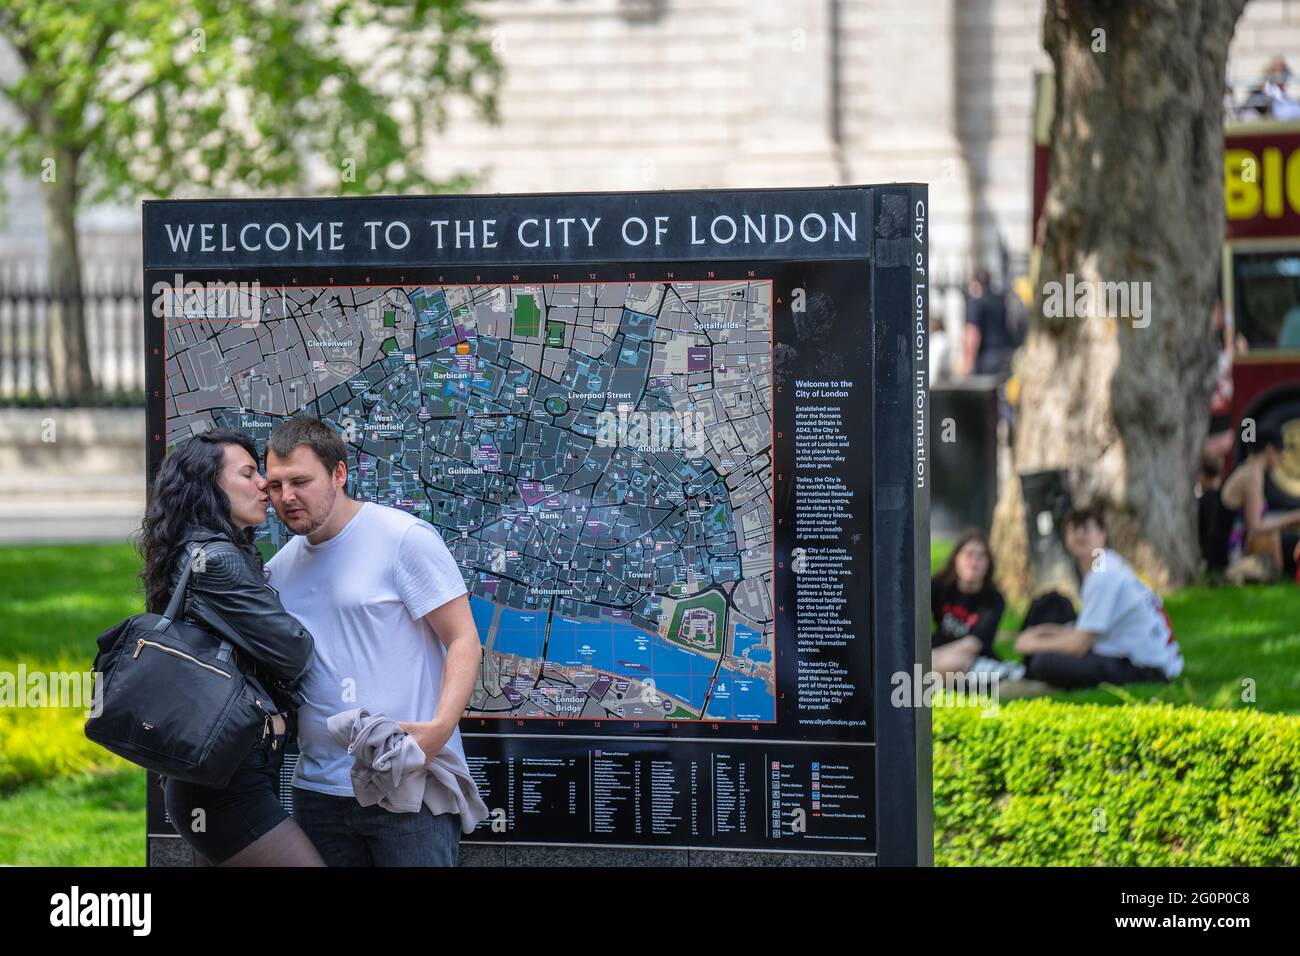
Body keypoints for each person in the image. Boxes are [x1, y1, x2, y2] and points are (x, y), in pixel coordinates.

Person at [263, 414, 487, 867]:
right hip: (317, 791)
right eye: (275, 485)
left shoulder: (402, 538)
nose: (287, 497)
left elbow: (464, 639)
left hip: (407, 780)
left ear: (339, 474)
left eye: (300, 481)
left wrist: (439, 731)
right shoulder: (278, 570)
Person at [139, 428, 324, 867]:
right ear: (209, 487)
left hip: (215, 776)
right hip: (225, 792)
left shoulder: (196, 550)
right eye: (248, 473)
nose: (264, 484)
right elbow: (294, 651)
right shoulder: (218, 560)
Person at [1013, 508, 1183, 689]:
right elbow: (1087, 631)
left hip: (1146, 668)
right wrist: (1047, 632)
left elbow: (1078, 645)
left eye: (1086, 528)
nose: (1079, 534)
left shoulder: (1104, 575)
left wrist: (1032, 643)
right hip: (1144, 658)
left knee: (1043, 663)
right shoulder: (1106, 564)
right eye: (1074, 529)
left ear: (1102, 534)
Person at [1212, 427, 1300, 582]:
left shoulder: (1249, 469)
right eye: (1279, 453)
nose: (1281, 459)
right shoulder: (1252, 476)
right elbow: (1255, 527)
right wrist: (1293, 519)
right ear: (1269, 449)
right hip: (1234, 554)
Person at [931, 530, 1012, 678]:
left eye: (981, 557)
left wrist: (928, 658)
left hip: (975, 659)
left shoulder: (994, 599)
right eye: (969, 555)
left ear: (988, 564)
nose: (974, 563)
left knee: (959, 661)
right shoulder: (939, 587)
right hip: (940, 649)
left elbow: (974, 644)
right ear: (956, 558)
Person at [963, 269, 1013, 379]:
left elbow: (972, 333)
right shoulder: (999, 301)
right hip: (1003, 357)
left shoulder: (976, 303)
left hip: (985, 359)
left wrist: (968, 364)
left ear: (976, 283)